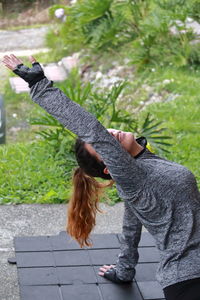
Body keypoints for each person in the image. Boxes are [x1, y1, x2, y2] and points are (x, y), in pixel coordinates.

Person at [2, 54, 200, 300]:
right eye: (104, 146)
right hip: (190, 277)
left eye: (107, 135)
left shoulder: (141, 176)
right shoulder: (133, 177)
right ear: (110, 167)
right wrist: (40, 86)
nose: (110, 134)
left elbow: (131, 228)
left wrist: (124, 270)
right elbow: (92, 130)